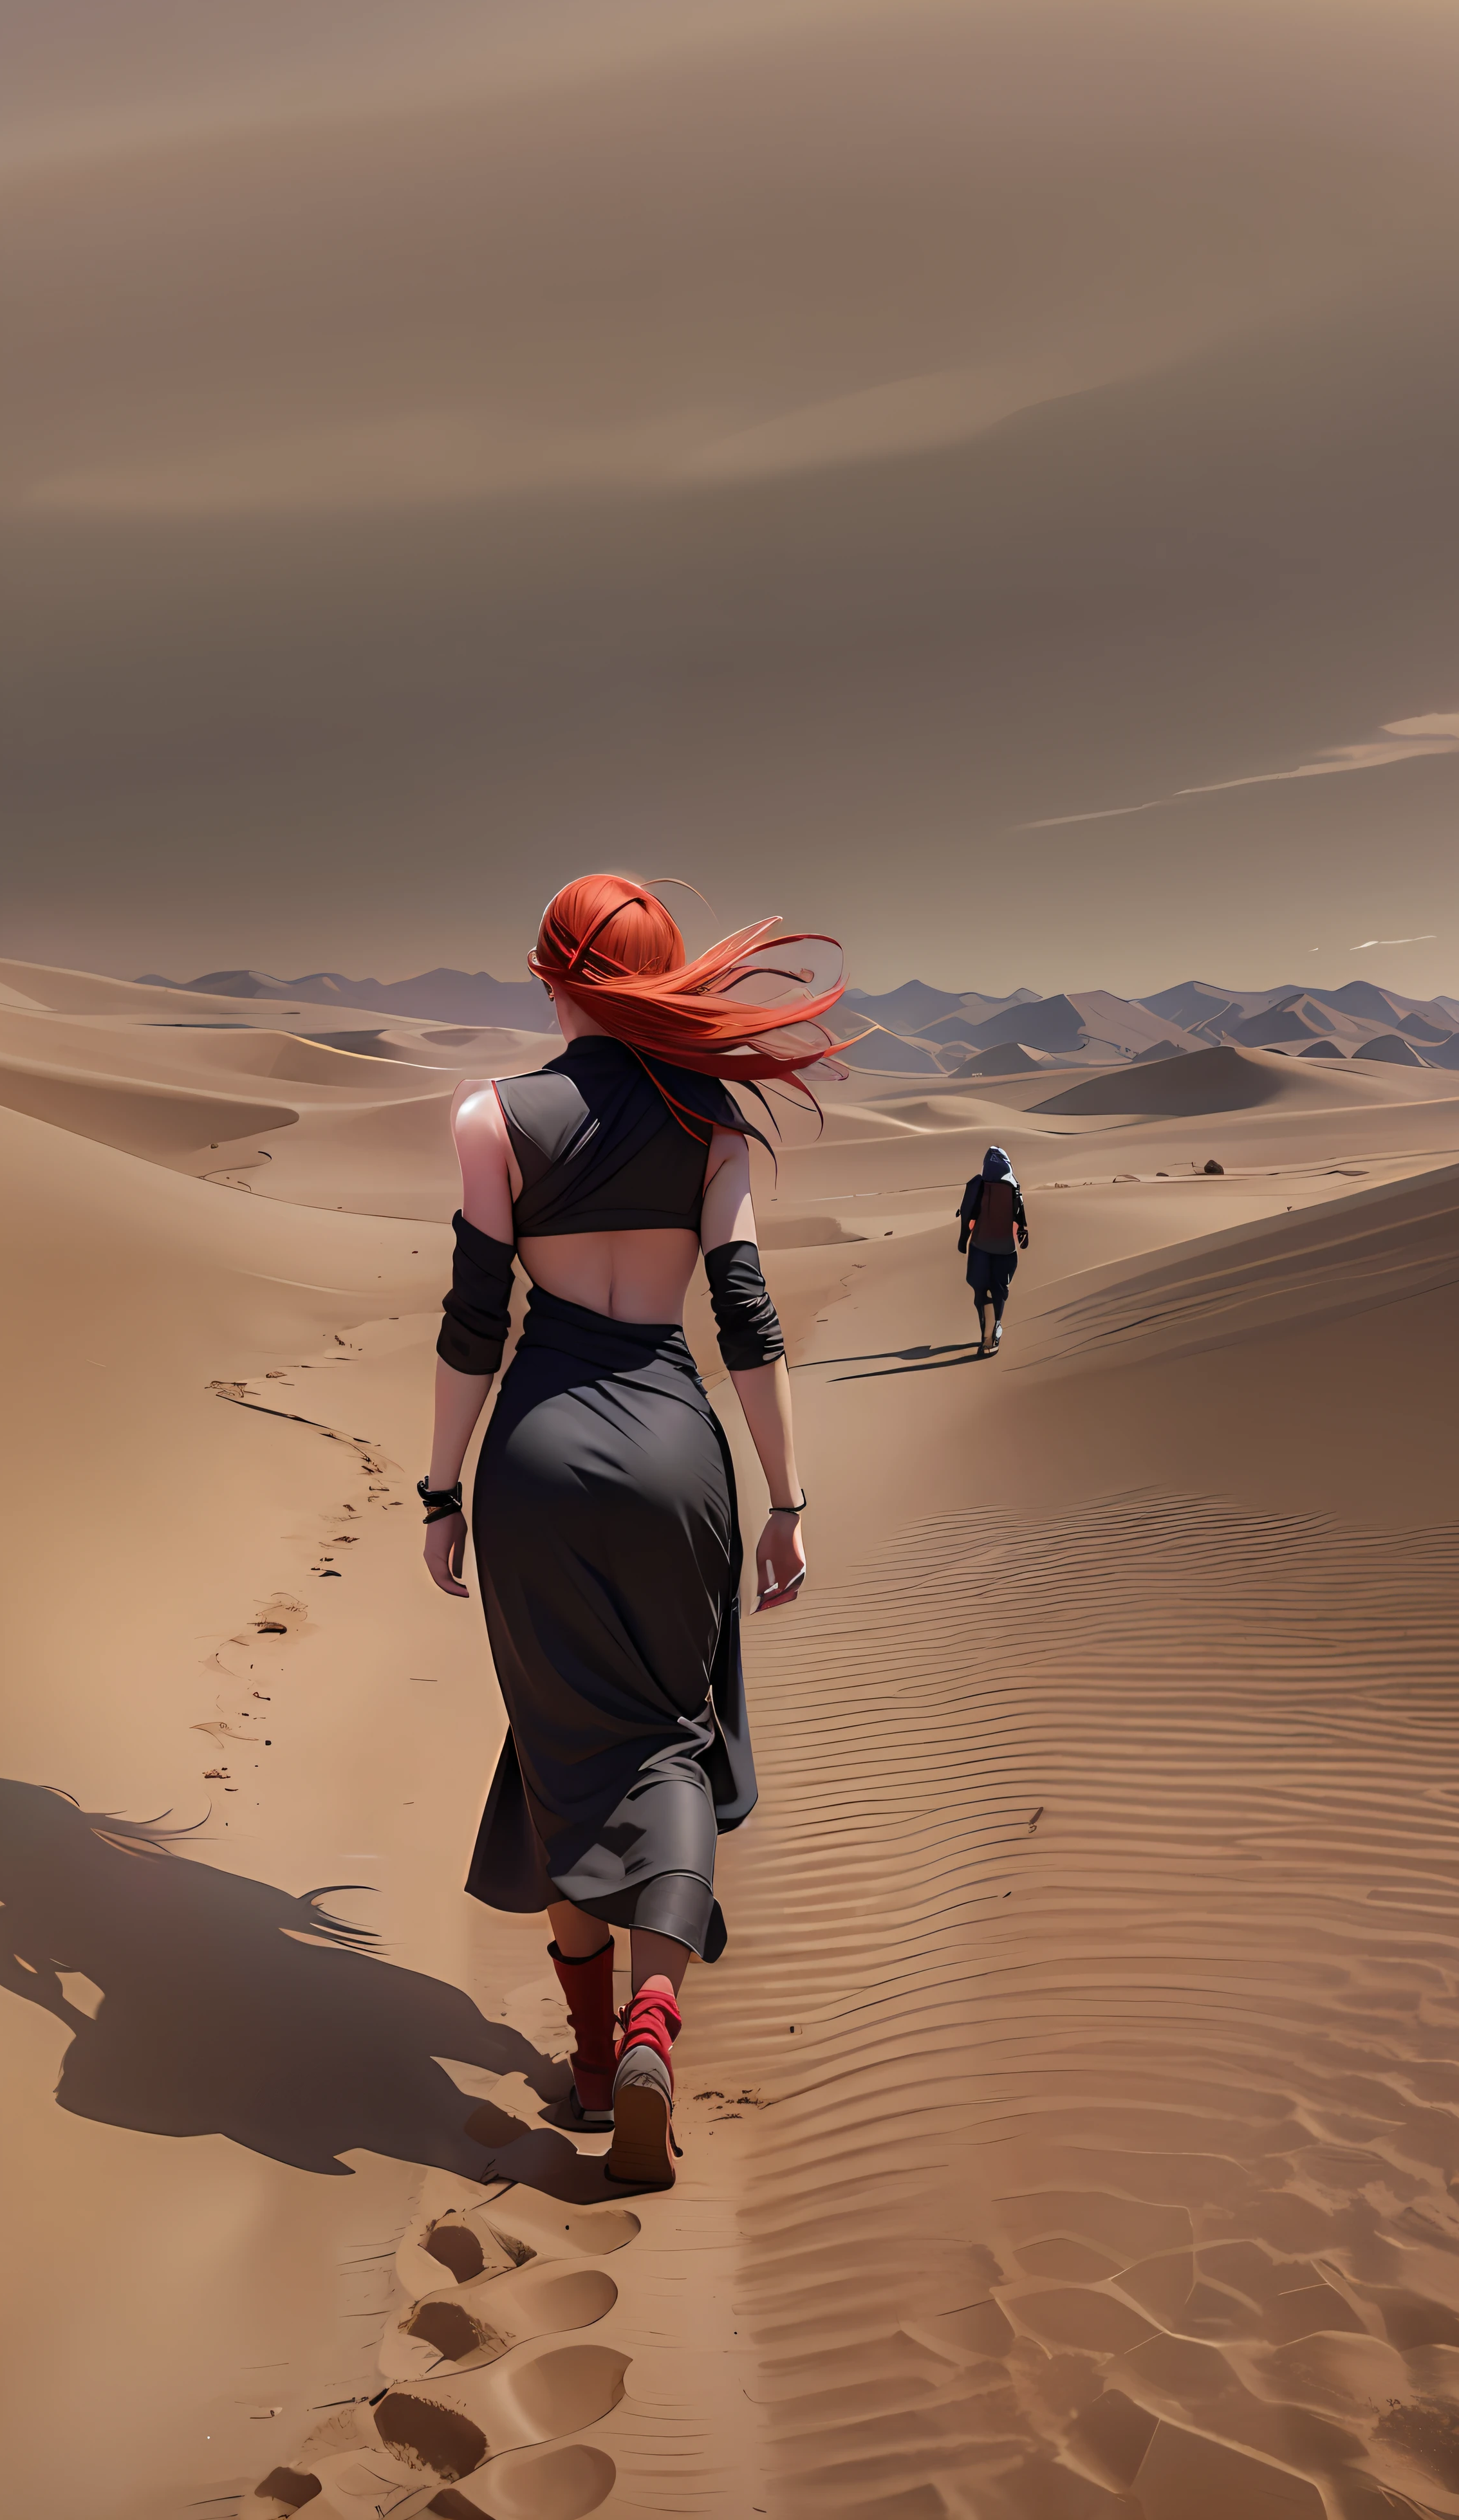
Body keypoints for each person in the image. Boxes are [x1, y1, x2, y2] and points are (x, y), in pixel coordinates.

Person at [418, 874, 850, 2189]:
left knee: (563, 1744)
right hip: (675, 1449)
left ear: (552, 978)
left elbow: (471, 1323)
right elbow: (745, 1317)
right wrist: (784, 1500)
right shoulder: (709, 1122)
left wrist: (440, 1493)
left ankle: (596, 2065)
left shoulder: (489, 1117)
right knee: (670, 1733)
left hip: (536, 1456)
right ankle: (663, 2019)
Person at [956, 1145, 1030, 1355]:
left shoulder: (978, 1185)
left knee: (981, 1292)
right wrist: (1022, 1238)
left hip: (981, 1247)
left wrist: (963, 1240)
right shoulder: (1014, 1186)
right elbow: (1021, 1219)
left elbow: (968, 1215)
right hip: (1006, 1249)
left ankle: (987, 1334)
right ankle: (994, 1328)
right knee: (998, 1291)